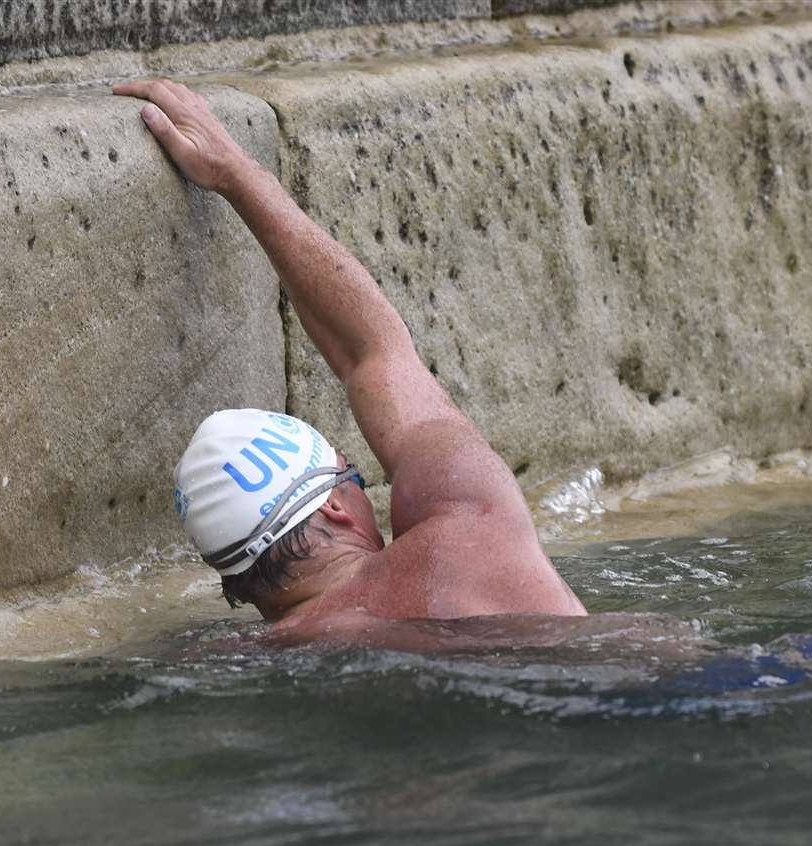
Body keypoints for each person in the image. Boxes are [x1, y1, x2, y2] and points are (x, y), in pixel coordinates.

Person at [114, 79, 586, 641]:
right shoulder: (470, 525)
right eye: (354, 477)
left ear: (236, 582)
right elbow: (372, 350)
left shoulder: (262, 653)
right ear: (337, 507)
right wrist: (236, 173)